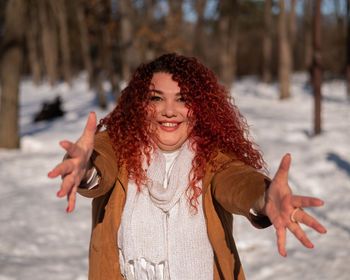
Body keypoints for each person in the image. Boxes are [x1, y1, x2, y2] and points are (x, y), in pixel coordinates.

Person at [48, 53, 326, 280]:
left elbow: (237, 181)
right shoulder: (119, 144)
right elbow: (99, 164)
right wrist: (83, 169)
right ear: (140, 104)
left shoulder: (213, 157)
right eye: (157, 98)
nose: (169, 110)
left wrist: (265, 197)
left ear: (201, 107)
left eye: (183, 99)